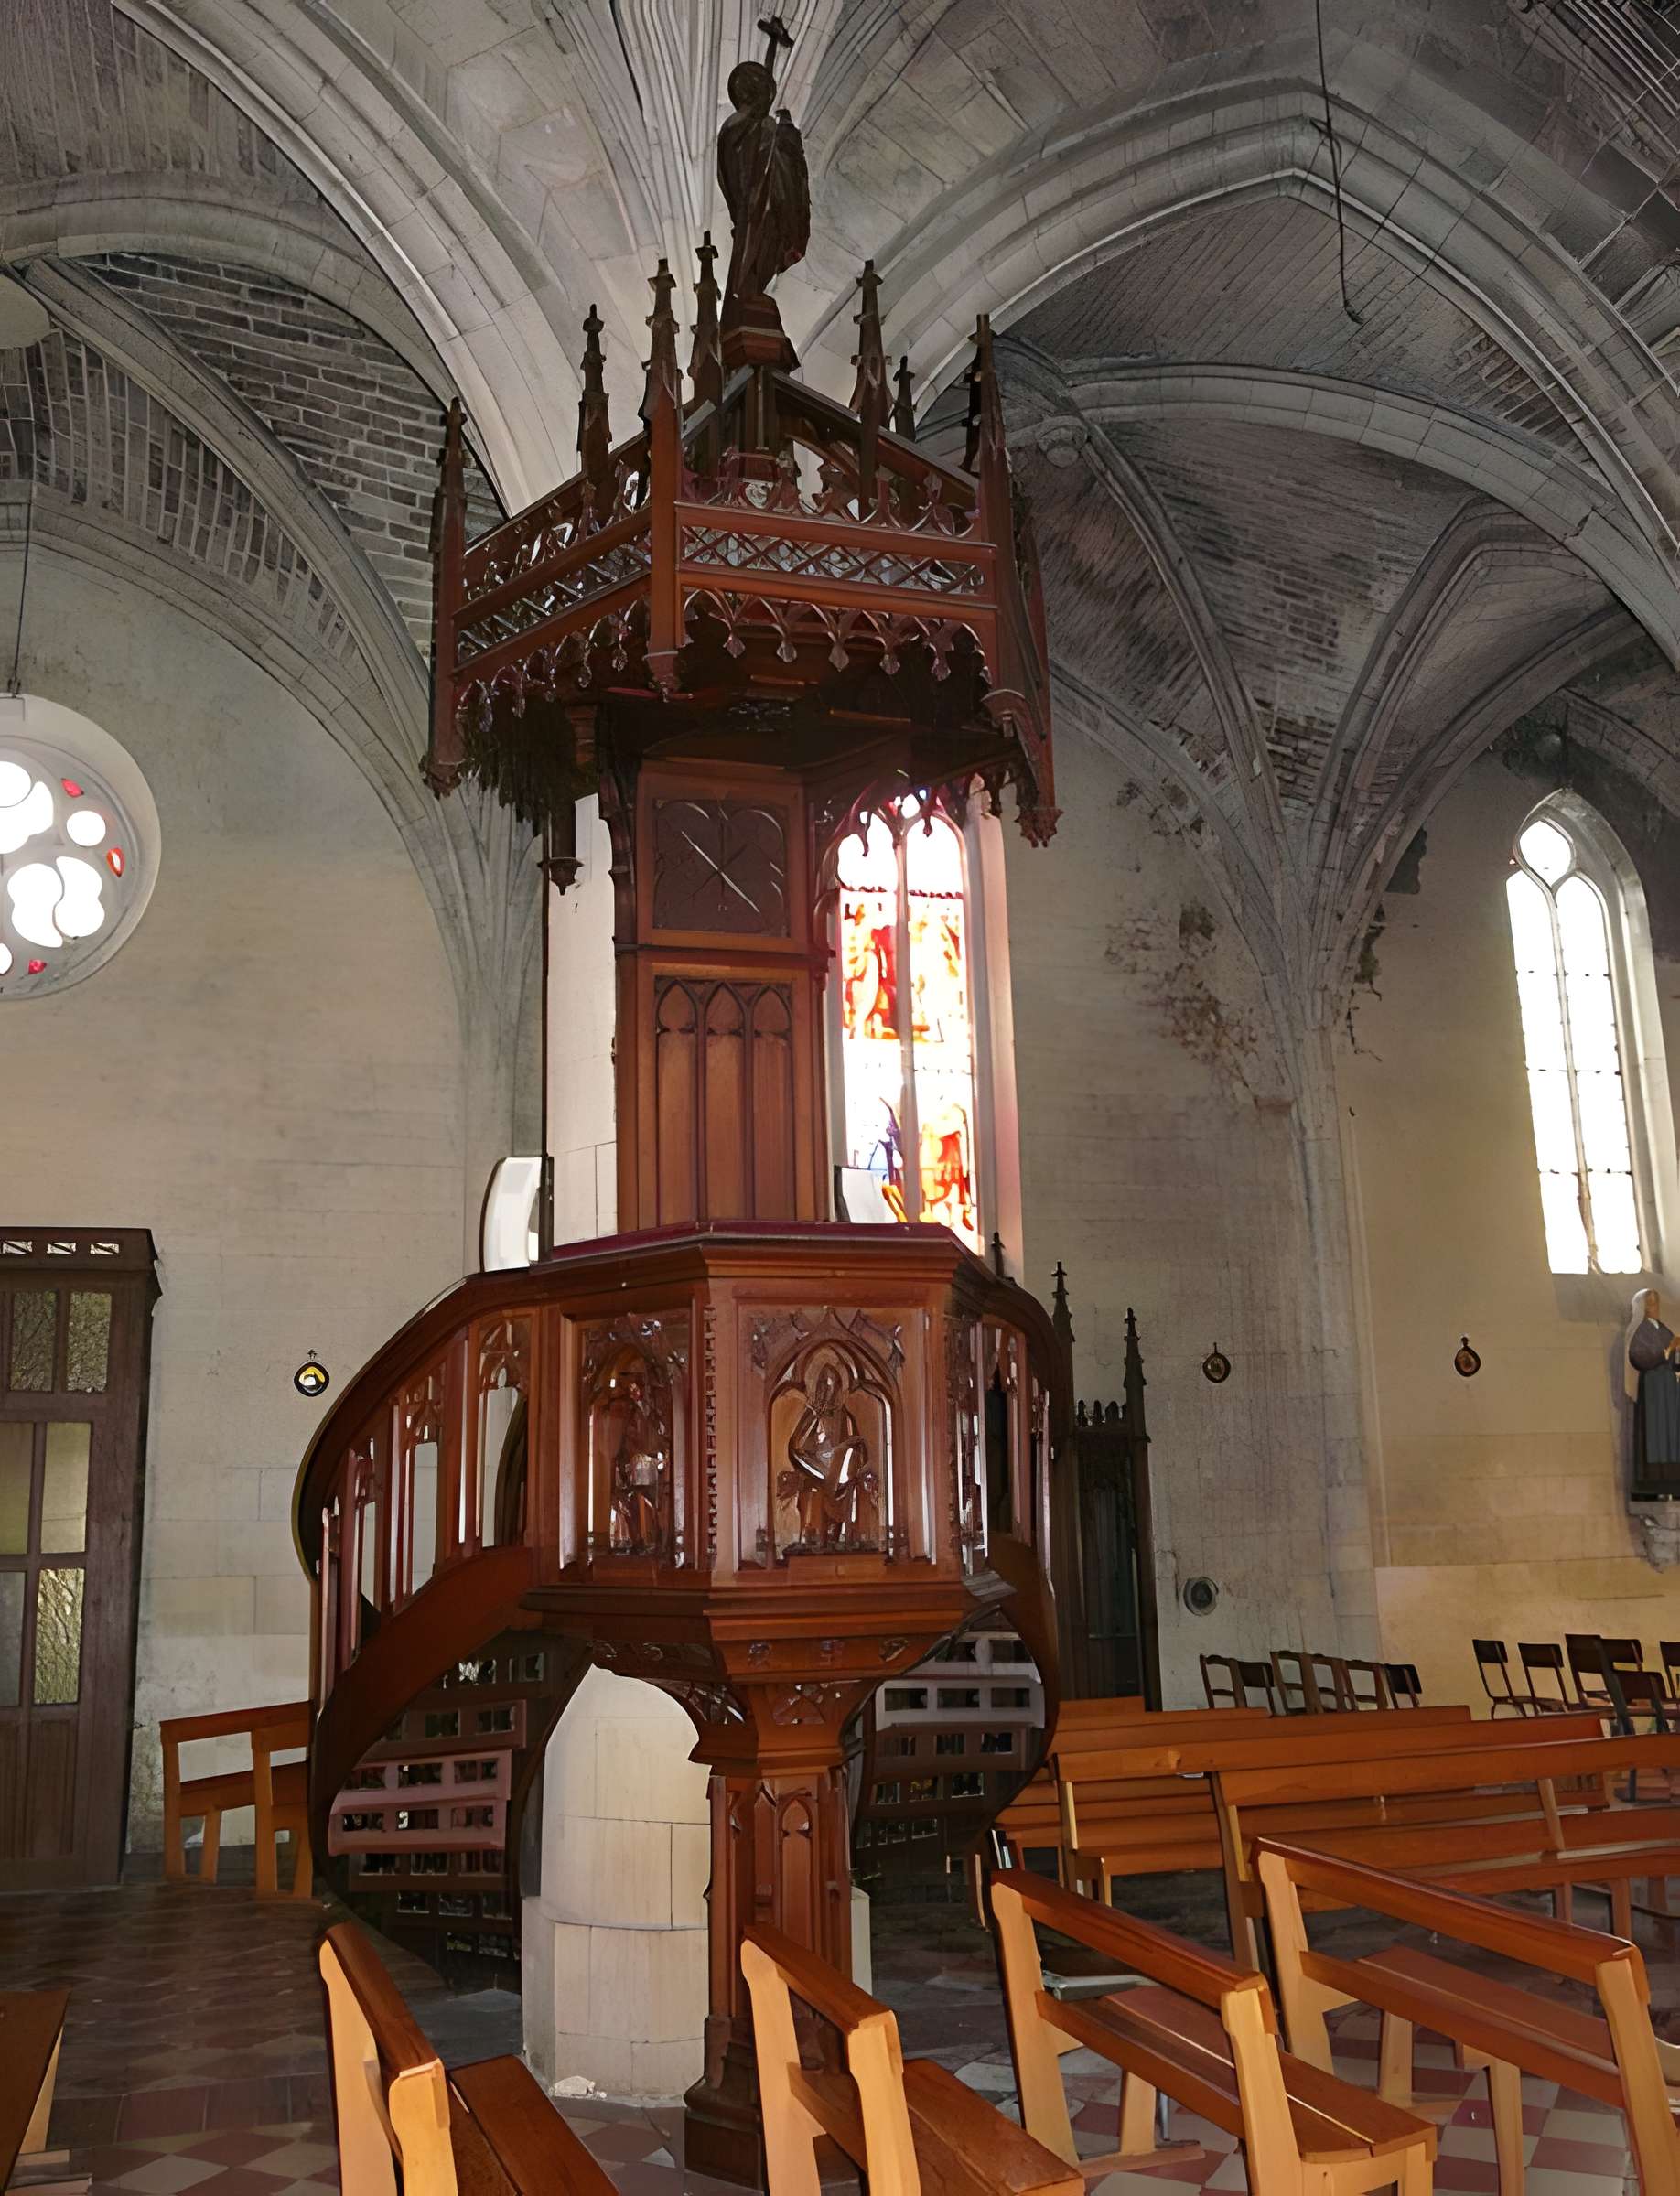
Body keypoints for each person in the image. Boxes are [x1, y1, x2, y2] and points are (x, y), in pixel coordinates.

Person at [1626, 1288, 1680, 1497]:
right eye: (1650, 1304)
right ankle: (1653, 1481)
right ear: (1643, 1307)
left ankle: (1672, 1478)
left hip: (1667, 1387)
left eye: (1656, 1304)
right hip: (1653, 1389)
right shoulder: (1640, 1331)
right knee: (1655, 1433)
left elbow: (1670, 1348)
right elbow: (1638, 1356)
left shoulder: (1662, 1327)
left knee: (1670, 1433)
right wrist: (1665, 1351)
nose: (1654, 1308)